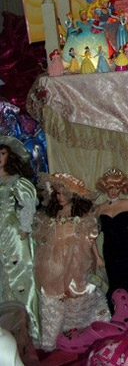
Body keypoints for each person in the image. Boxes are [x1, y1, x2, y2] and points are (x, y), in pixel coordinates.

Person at [34, 173, 110, 350]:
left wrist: (97, 257)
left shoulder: (81, 215)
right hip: (53, 258)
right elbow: (44, 236)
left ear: (73, 195)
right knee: (53, 292)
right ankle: (53, 334)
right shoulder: (52, 213)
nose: (60, 197)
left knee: (79, 289)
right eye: (58, 193)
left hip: (76, 256)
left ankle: (87, 325)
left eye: (64, 194)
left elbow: (89, 238)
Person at [0, 137, 40, 343]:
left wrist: (24, 227)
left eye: (2, 154)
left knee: (20, 274)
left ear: (10, 156)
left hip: (12, 233)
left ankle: (28, 328)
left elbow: (28, 202)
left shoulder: (15, 181)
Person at [95, 168, 128, 312]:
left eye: (117, 187)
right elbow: (91, 235)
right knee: (114, 282)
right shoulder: (100, 209)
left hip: (127, 248)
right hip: (109, 250)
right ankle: (117, 313)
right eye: (110, 187)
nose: (114, 191)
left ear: (122, 188)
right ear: (105, 188)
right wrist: (97, 257)